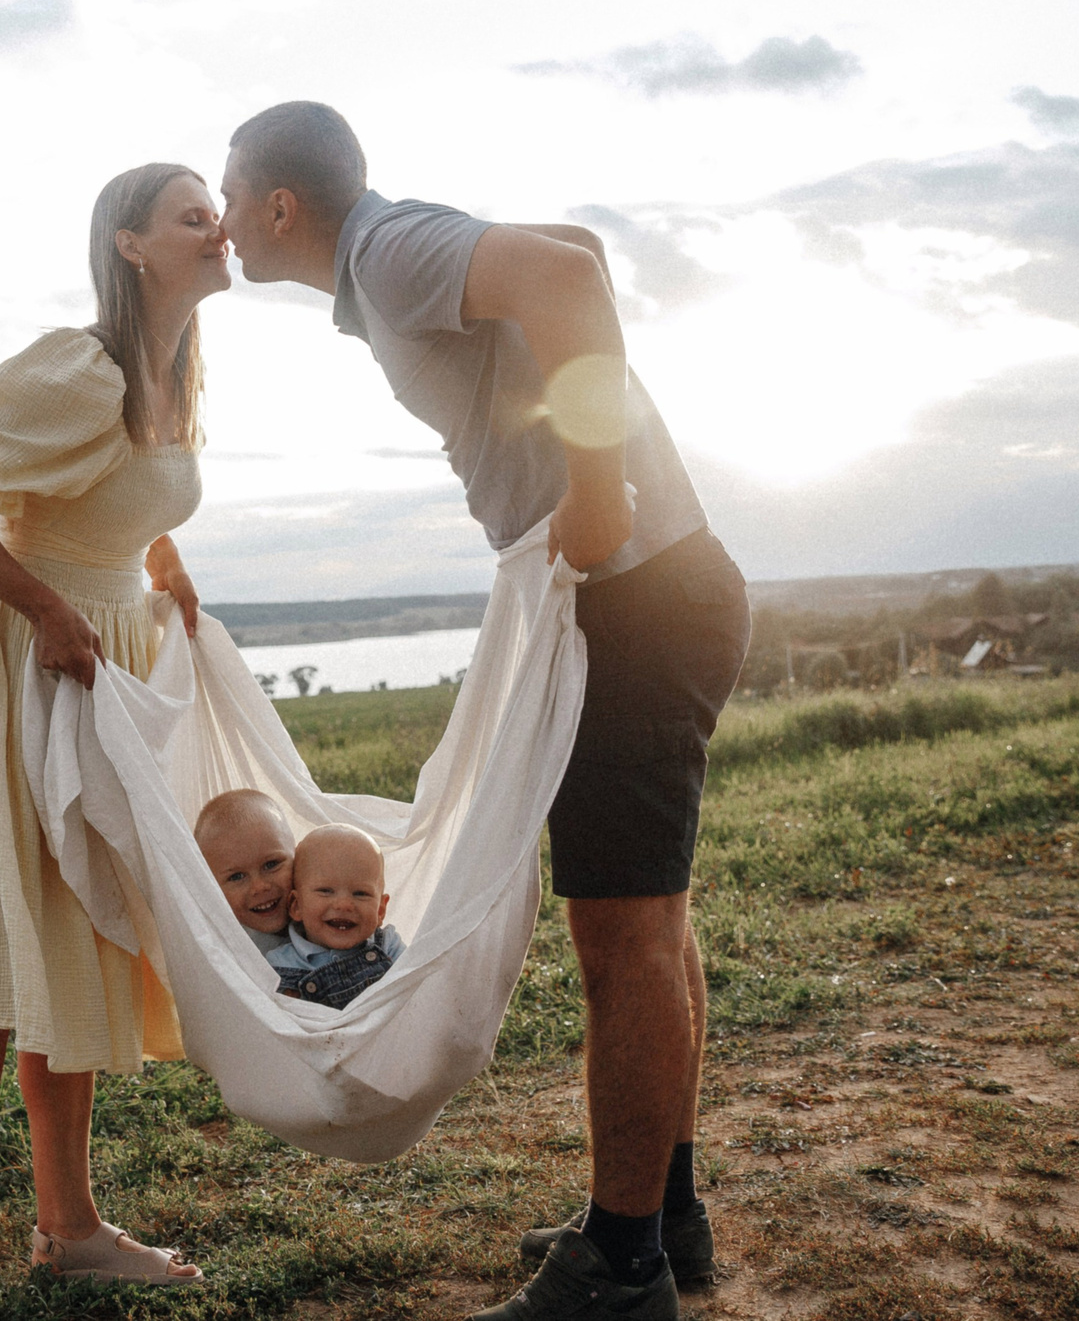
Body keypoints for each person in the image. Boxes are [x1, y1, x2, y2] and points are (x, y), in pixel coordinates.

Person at [218, 103, 751, 1321]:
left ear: (279, 206)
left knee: (624, 943)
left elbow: (564, 275)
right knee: (646, 929)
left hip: (635, 605)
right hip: (646, 601)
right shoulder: (391, 260)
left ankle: (619, 1269)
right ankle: (662, 1217)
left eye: (232, 197)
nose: (229, 225)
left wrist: (597, 486)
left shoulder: (386, 250)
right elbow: (577, 251)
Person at [0, 163, 228, 1321]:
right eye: (193, 212)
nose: (217, 226)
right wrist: (45, 609)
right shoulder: (77, 368)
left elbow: (126, 504)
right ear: (131, 244)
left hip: (111, 652)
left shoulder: (178, 369)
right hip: (30, 657)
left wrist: (164, 577)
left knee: (78, 930)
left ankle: (69, 1226)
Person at [262, 823, 402, 1010]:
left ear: (380, 910)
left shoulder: (388, 947)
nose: (344, 905)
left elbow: (423, 989)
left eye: (360, 893)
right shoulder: (276, 966)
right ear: (296, 906)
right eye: (325, 891)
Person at [193, 788, 298, 957]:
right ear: (212, 888)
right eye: (237, 877)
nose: (260, 886)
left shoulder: (325, 903)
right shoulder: (226, 953)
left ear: (297, 853)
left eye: (271, 864)